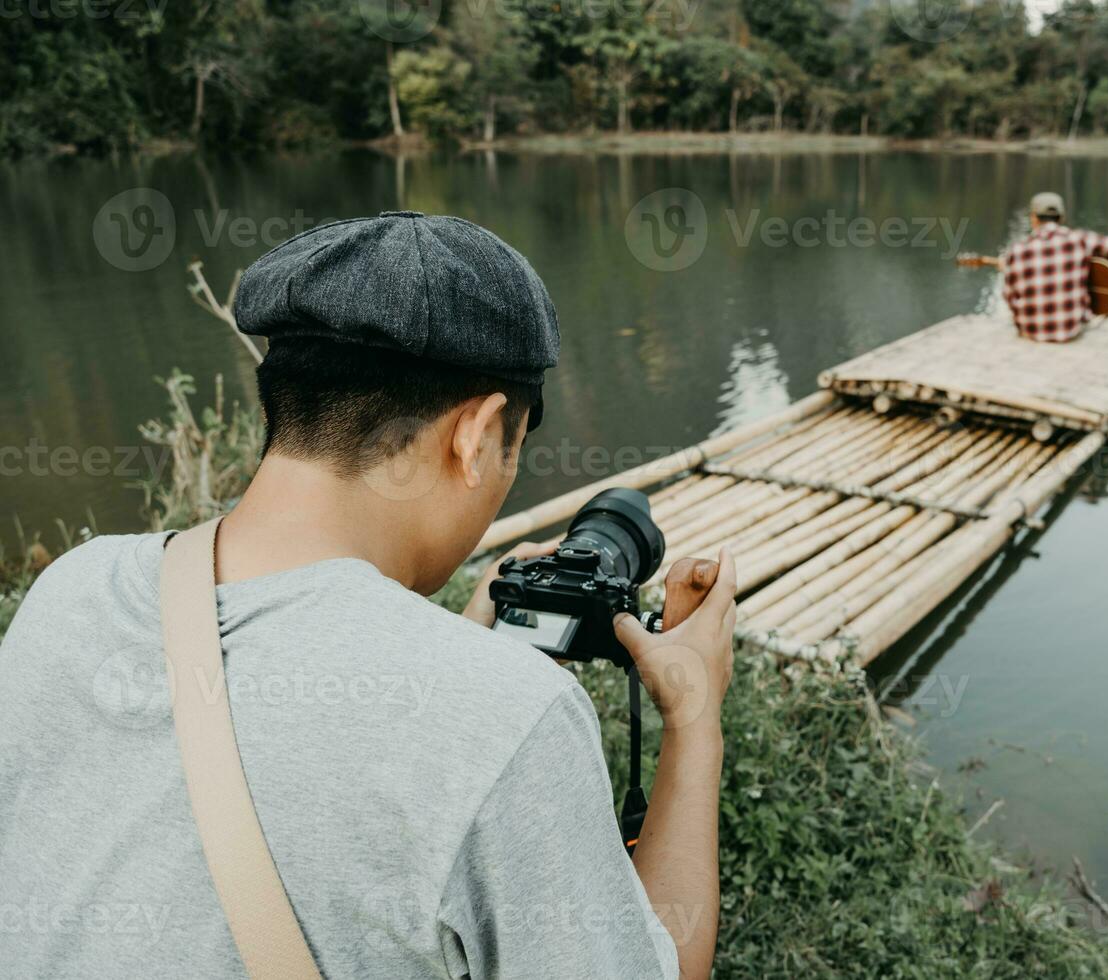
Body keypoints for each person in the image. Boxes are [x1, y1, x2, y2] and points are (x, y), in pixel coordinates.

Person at [0, 211, 734, 979]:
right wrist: (693, 715)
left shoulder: (70, 591)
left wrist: (452, 646)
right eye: (514, 448)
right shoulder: (508, 720)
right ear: (476, 437)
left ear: (281, 405)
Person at [978, 192, 1108, 343]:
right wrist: (1097, 263)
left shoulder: (1017, 250)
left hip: (1030, 330)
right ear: (1061, 217)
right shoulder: (1079, 239)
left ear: (1033, 218)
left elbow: (1009, 295)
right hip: (1071, 329)